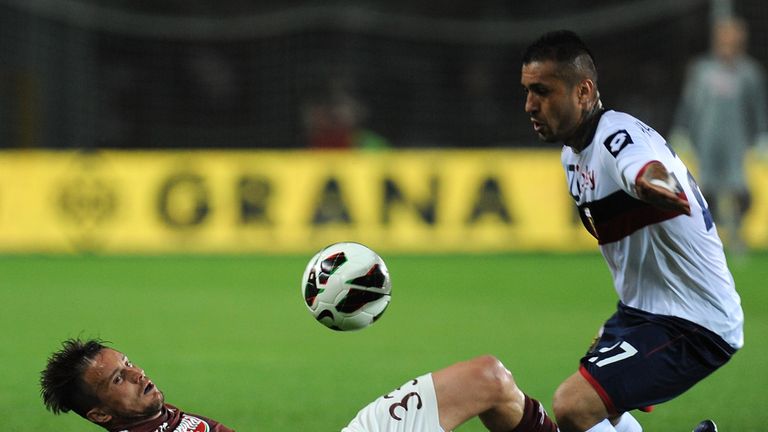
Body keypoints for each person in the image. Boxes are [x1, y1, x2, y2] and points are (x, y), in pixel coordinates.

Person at [520, 31, 743, 432]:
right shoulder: (572, 156)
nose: (530, 106)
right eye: (527, 91)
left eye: (542, 91)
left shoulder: (617, 137)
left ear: (584, 92)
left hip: (695, 321)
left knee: (573, 405)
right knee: (600, 408)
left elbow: (644, 167)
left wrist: (655, 185)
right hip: (642, 313)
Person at [42, 338, 559, 432]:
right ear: (101, 415)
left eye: (128, 363)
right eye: (118, 378)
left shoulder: (148, 414)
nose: (137, 374)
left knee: (487, 377)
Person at [671, 16, 768, 254]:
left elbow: (758, 107)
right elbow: (689, 104)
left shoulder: (750, 73)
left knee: (740, 192)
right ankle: (707, 240)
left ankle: (736, 236)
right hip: (706, 140)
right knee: (706, 192)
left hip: (737, 141)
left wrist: (762, 135)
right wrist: (681, 130)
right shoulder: (701, 70)